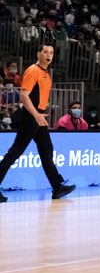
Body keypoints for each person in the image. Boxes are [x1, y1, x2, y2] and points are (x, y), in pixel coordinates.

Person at [0, 45, 76, 203]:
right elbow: (23, 95)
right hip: (31, 116)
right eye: (45, 52)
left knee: (47, 149)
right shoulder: (33, 70)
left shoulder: (47, 74)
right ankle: (57, 185)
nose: (49, 55)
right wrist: (36, 115)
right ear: (38, 54)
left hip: (38, 116)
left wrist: (41, 114)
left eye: (52, 53)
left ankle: (57, 186)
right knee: (16, 151)